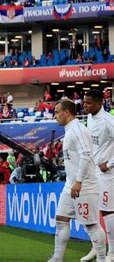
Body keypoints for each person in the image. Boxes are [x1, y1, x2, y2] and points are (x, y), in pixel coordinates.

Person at [48, 100, 106, 262]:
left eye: (57, 111)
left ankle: (102, 258)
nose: (55, 115)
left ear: (66, 112)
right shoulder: (70, 130)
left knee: (91, 225)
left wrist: (79, 181)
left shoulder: (78, 130)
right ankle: (57, 258)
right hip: (70, 184)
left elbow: (86, 155)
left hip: (84, 185)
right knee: (61, 219)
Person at [81, 89, 114, 261]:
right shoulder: (89, 118)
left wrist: (109, 163)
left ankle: (112, 253)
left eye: (89, 103)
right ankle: (96, 247)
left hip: (106, 173)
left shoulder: (109, 121)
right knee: (89, 210)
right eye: (84, 102)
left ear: (100, 102)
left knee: (107, 211)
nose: (85, 106)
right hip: (91, 171)